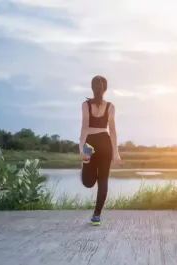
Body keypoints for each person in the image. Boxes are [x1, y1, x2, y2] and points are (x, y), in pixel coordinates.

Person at [79, 75, 121, 226]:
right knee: (103, 180)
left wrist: (81, 148)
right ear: (106, 89)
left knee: (88, 182)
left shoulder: (85, 105)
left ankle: (86, 162)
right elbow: (113, 131)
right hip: (105, 142)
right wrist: (116, 153)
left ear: (92, 88)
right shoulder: (111, 106)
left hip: (90, 142)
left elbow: (84, 127)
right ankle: (96, 215)